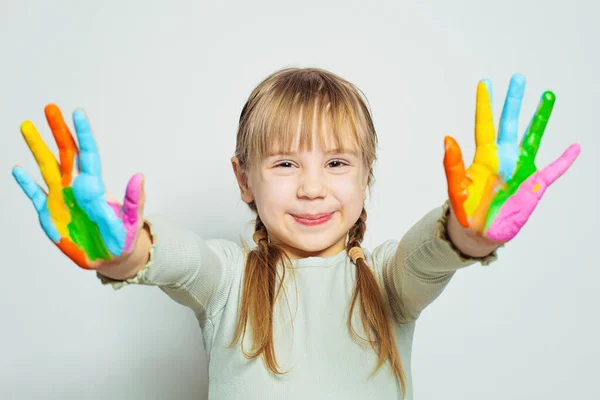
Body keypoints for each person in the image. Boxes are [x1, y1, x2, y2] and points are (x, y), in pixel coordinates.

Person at [12, 67, 580, 399]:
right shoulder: (228, 279)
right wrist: (124, 249)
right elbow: (180, 261)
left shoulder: (387, 279)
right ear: (244, 179)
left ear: (367, 177)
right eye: (285, 164)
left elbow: (430, 256)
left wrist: (470, 232)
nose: (312, 187)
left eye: (337, 163)